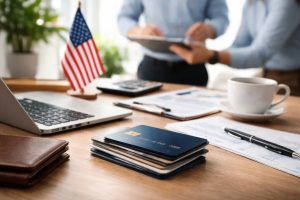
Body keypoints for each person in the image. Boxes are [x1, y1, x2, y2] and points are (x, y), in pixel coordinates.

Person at [170, 0, 300, 96]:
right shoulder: (252, 4)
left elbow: (260, 54)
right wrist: (204, 52)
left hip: (293, 81)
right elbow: (239, 44)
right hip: (267, 75)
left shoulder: (286, 4)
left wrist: (211, 55)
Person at [118, 0, 228, 86]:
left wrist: (210, 29)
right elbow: (124, 17)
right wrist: (139, 31)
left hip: (194, 68)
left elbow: (221, 18)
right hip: (152, 67)